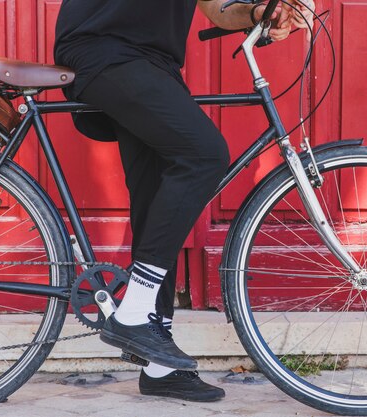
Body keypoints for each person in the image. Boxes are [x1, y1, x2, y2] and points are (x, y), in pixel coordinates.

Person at [54, 0, 314, 403]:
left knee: (158, 194)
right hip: (105, 51)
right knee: (204, 154)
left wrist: (259, 13)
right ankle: (135, 311)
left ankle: (160, 368)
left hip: (149, 63)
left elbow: (217, 8)